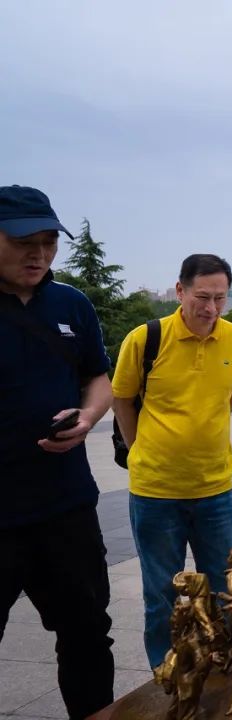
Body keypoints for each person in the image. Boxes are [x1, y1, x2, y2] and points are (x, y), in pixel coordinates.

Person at [0, 185, 116, 718]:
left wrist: (89, 415)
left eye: (49, 242)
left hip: (64, 505)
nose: (39, 255)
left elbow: (97, 375)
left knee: (88, 629)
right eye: (24, 241)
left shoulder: (71, 303)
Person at [113, 254, 232, 670]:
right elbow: (122, 398)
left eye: (220, 299)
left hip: (214, 490)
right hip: (156, 492)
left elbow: (231, 397)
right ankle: (166, 667)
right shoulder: (145, 338)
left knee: (224, 586)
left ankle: (225, 661)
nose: (210, 308)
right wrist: (139, 448)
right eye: (202, 297)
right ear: (180, 291)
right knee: (160, 593)